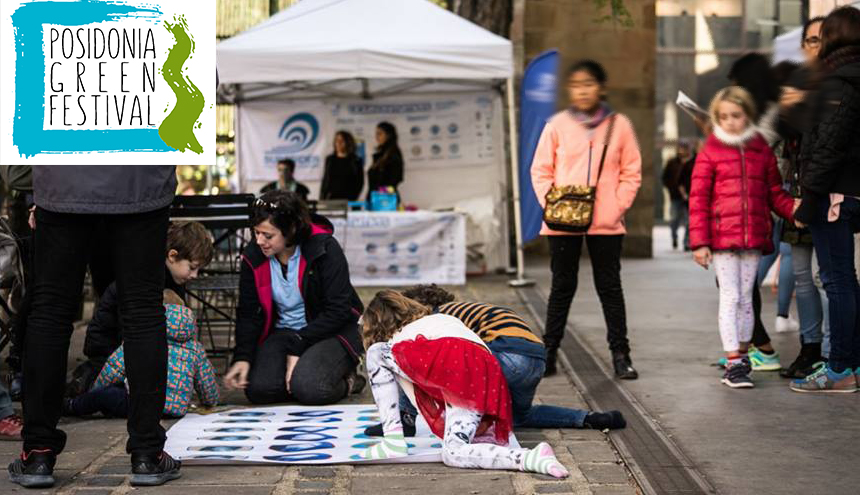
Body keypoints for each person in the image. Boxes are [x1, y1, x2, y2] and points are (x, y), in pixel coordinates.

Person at [8, 166, 181, 489]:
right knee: (143, 311)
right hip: (139, 182)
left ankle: (38, 451)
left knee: (50, 312)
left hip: (63, 181)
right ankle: (147, 452)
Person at [359, 290, 569, 479]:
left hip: (455, 360)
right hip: (484, 373)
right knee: (453, 452)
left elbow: (417, 382)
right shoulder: (441, 320)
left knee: (376, 353)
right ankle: (530, 458)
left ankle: (392, 440)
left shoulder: (402, 340)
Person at [364, 285, 625, 436]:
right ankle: (591, 418)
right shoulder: (471, 309)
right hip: (535, 357)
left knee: (409, 358)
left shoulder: (437, 317)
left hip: (505, 354)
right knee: (520, 416)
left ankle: (405, 419)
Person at [530, 60, 642, 379]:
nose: (582, 90)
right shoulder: (557, 125)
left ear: (601, 88)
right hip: (562, 222)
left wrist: (617, 206)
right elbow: (540, 170)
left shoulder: (619, 125)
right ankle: (548, 353)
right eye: (576, 84)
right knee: (562, 286)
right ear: (569, 89)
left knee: (609, 286)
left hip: (606, 223)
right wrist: (553, 201)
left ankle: (621, 355)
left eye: (589, 83)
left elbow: (631, 171)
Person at [689, 87, 797, 389]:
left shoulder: (760, 148)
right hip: (722, 239)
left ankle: (744, 356)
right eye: (723, 117)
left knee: (747, 299)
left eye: (736, 116)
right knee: (731, 296)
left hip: (753, 238)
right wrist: (700, 242)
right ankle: (734, 361)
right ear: (716, 118)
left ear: (747, 115)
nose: (730, 122)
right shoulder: (711, 149)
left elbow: (774, 191)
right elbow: (698, 198)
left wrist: (793, 210)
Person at [223, 191, 365, 405]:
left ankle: (349, 379)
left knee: (311, 388)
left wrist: (300, 343)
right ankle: (307, 372)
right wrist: (243, 357)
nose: (259, 241)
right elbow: (248, 312)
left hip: (330, 330)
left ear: (291, 231)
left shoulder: (325, 248)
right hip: (285, 332)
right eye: (256, 233)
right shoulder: (253, 256)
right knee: (259, 390)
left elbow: (339, 310)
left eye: (268, 235)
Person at [791, 6, 860, 393]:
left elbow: (828, 147)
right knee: (849, 282)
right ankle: (853, 365)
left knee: (838, 282)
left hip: (834, 195)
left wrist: (808, 199)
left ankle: (838, 370)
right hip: (853, 193)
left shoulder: (837, 82)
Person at [67, 221, 214, 397]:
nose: (194, 275)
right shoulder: (146, 276)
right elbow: (128, 325)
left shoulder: (175, 278)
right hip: (111, 347)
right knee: (108, 386)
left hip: (135, 345)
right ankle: (83, 381)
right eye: (192, 267)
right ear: (172, 256)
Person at [64, 291, 219, 418]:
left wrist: (96, 390)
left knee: (105, 396)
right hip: (176, 409)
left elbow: (113, 369)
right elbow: (206, 381)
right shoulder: (195, 348)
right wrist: (209, 401)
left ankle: (71, 406)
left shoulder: (143, 336)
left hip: (140, 404)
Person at [726, 53, 786, 372]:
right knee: (737, 283)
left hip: (759, 209)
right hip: (741, 206)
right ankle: (746, 346)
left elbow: (751, 148)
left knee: (742, 284)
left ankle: (759, 347)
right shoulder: (756, 113)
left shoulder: (770, 114)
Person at [776, 17, 829, 379]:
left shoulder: (842, 81)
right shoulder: (796, 80)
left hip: (831, 191)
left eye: (822, 39)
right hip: (796, 191)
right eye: (810, 40)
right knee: (800, 273)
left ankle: (831, 348)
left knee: (831, 276)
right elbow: (781, 132)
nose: (815, 46)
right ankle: (810, 347)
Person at [662, 142, 692, 250]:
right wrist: (671, 189)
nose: (683, 151)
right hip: (675, 196)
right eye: (682, 148)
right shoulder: (672, 162)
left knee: (689, 221)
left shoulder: (692, 162)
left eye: (685, 148)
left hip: (689, 196)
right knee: (674, 219)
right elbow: (665, 178)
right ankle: (674, 237)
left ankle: (686, 243)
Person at [321, 131, 364, 201]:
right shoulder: (330, 159)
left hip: (348, 200)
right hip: (331, 200)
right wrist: (322, 198)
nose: (338, 143)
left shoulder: (355, 160)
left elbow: (360, 182)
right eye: (336, 140)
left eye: (342, 140)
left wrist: (353, 198)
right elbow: (325, 181)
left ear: (348, 142)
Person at [366, 122, 404, 203]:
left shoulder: (394, 154)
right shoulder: (379, 154)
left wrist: (381, 192)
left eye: (379, 134)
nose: (376, 137)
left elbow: (395, 180)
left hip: (386, 200)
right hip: (375, 198)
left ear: (388, 135)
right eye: (376, 134)